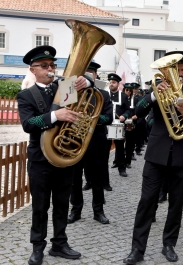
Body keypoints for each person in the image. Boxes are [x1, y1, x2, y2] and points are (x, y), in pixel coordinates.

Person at [123, 51, 183, 264]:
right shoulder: (157, 87)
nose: (179, 74)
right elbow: (139, 112)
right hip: (156, 154)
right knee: (146, 201)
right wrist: (152, 95)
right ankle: (137, 249)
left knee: (176, 203)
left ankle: (169, 244)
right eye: (176, 70)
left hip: (181, 155)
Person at [17, 45, 92, 265]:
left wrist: (86, 81)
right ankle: (37, 247)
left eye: (52, 65)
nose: (50, 69)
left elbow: (88, 79)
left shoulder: (65, 86)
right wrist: (54, 115)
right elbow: (28, 124)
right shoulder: (26, 95)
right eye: (44, 66)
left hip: (64, 157)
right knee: (40, 206)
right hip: (40, 160)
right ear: (33, 70)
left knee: (61, 204)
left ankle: (59, 244)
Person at [68, 62, 113, 225]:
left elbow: (108, 118)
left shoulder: (103, 95)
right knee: (74, 179)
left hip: (96, 142)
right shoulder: (71, 92)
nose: (87, 76)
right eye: (84, 73)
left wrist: (88, 118)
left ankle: (98, 211)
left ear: (95, 76)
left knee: (97, 179)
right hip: (74, 141)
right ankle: (76, 210)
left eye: (91, 73)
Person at [108, 73, 130, 177]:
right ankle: (103, 173)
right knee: (104, 149)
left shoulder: (124, 96)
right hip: (106, 125)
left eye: (113, 82)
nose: (111, 84)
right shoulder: (104, 94)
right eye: (110, 82)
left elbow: (128, 110)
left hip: (118, 125)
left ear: (118, 84)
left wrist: (124, 116)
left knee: (120, 148)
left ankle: (122, 168)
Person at [123, 83, 140, 168]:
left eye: (130, 90)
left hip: (131, 123)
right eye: (127, 90)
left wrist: (135, 116)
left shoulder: (135, 99)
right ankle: (118, 161)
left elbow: (138, 110)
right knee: (120, 143)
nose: (128, 92)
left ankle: (128, 161)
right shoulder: (122, 98)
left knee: (129, 143)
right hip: (122, 123)